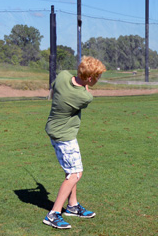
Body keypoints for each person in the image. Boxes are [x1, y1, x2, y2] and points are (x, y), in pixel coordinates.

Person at [42, 56, 106, 229]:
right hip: (64, 136)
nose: (98, 80)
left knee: (70, 169)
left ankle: (72, 205)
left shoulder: (62, 75)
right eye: (97, 77)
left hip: (55, 129)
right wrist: (85, 84)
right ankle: (53, 213)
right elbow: (83, 92)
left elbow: (58, 86)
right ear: (90, 78)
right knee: (75, 173)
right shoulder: (85, 97)